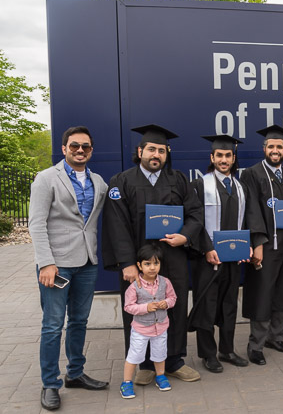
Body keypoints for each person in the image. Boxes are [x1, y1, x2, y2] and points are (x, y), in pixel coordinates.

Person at [102, 124, 203, 384]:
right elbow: (117, 224)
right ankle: (144, 364)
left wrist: (186, 236)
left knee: (175, 306)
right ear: (140, 151)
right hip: (139, 261)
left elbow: (195, 214)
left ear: (167, 154)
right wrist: (127, 263)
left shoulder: (179, 180)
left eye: (161, 150)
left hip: (173, 257)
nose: (155, 154)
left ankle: (174, 360)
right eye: (151, 149)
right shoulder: (122, 181)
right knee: (139, 310)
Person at [29, 126, 109, 410]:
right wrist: (46, 262)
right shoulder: (46, 179)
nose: (80, 150)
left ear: (91, 150)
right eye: (74, 146)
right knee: (52, 326)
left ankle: (75, 373)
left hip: (87, 263)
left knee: (79, 322)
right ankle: (50, 383)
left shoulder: (98, 182)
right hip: (57, 265)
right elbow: (36, 224)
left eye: (85, 147)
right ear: (64, 149)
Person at [240, 124, 283, 365]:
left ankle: (276, 337)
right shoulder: (252, 174)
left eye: (279, 146)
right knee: (263, 294)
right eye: (271, 146)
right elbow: (252, 211)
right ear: (264, 148)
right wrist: (257, 243)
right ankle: (256, 344)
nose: (275, 150)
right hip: (265, 245)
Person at [188, 134, 250, 373]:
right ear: (212, 157)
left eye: (228, 156)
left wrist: (248, 246)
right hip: (207, 258)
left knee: (228, 304)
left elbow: (247, 220)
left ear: (234, 159)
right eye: (219, 156)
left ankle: (227, 349)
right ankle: (207, 353)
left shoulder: (241, 187)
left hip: (233, 258)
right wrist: (207, 248)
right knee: (206, 304)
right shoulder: (199, 185)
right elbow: (194, 221)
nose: (224, 160)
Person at [120, 243, 176, 399]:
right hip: (141, 329)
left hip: (161, 327)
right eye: (147, 264)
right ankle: (126, 382)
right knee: (134, 355)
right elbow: (128, 307)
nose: (152, 268)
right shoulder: (134, 286)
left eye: (156, 263)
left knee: (160, 353)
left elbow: (173, 298)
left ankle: (160, 376)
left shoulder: (165, 282)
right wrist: (146, 307)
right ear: (139, 265)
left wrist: (167, 303)